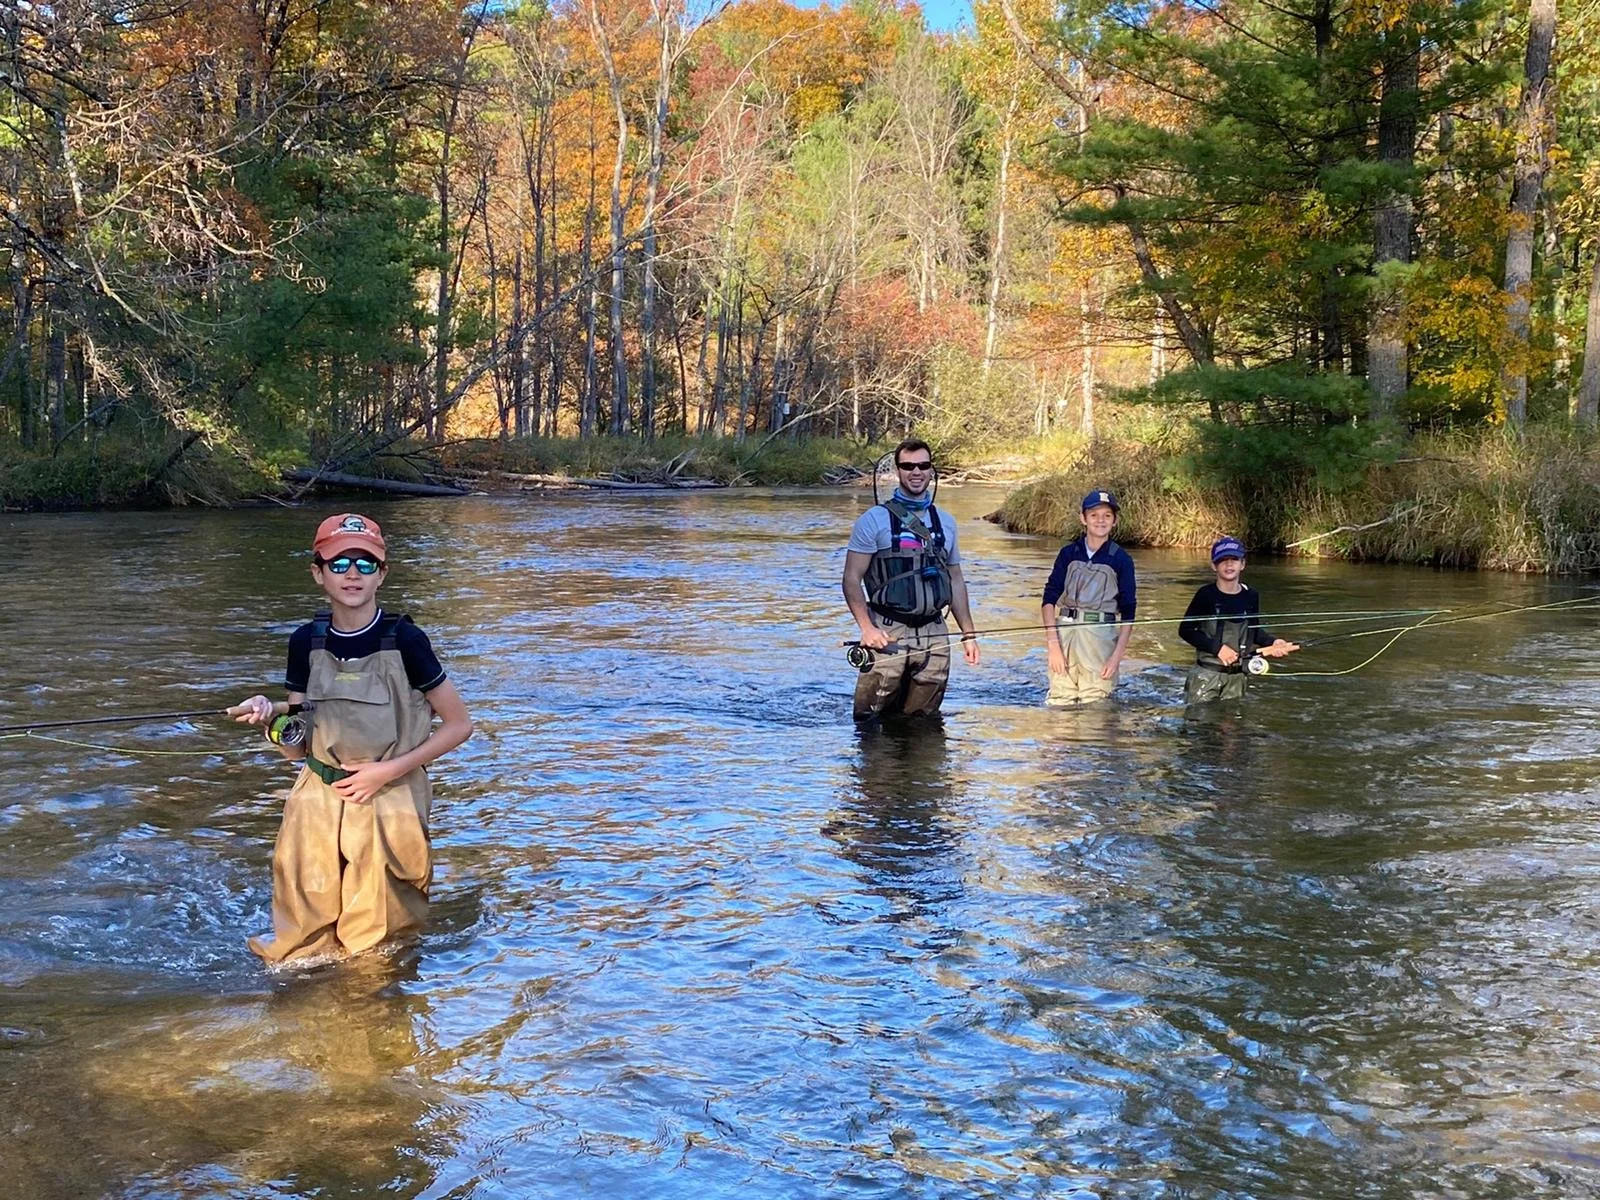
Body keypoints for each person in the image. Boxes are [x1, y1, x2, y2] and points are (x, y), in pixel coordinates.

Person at [230, 513, 473, 963]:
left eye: (365, 563)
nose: (353, 574)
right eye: (339, 564)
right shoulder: (304, 641)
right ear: (318, 573)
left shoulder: (408, 640)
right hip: (316, 796)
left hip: (391, 795)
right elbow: (295, 748)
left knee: (377, 950)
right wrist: (270, 719)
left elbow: (459, 725)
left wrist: (385, 771)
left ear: (382, 573)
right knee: (299, 950)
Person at [842, 439, 980, 721]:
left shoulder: (947, 522)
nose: (916, 472)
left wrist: (969, 634)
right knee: (870, 723)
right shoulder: (873, 520)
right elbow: (851, 579)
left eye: (923, 465)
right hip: (886, 632)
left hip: (935, 632)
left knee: (924, 723)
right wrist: (866, 629)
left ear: (932, 471)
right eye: (908, 466)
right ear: (898, 470)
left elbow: (955, 578)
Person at [1041, 490, 1137, 706]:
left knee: (1095, 705)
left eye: (1107, 516)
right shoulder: (1068, 553)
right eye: (1094, 515)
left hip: (1100, 639)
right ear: (1083, 519)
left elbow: (1129, 611)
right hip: (1063, 635)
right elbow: (1048, 599)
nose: (1100, 521)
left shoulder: (1122, 559)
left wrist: (1116, 657)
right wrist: (1053, 645)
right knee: (1059, 703)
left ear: (1115, 521)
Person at [1177, 535, 1299, 704]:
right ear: (1214, 565)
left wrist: (1274, 642)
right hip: (1206, 676)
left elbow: (1253, 632)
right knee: (1200, 726)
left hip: (1238, 679)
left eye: (1234, 559)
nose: (1229, 564)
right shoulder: (1205, 595)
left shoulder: (1251, 596)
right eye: (1223, 560)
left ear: (1242, 564)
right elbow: (1186, 631)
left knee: (1233, 726)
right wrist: (1218, 649)